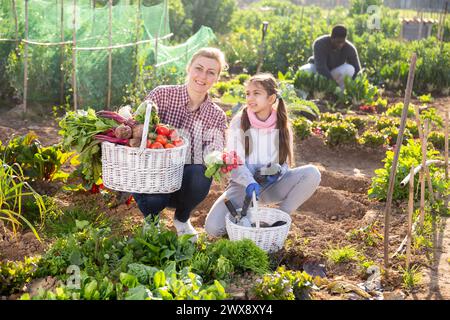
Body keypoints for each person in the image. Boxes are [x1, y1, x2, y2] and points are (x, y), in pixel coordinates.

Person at [204, 73, 321, 237]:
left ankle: (279, 220)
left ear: (271, 98)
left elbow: (285, 162)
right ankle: (241, 227)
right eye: (248, 93)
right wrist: (250, 182)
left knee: (312, 173)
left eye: (256, 93)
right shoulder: (240, 121)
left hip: (271, 185)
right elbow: (235, 162)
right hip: (243, 187)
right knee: (213, 228)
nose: (250, 98)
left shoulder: (282, 123)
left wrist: (278, 171)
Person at [132, 47, 228, 241]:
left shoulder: (217, 115)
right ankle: (151, 220)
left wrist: (217, 158)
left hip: (184, 184)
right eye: (198, 68)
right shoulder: (162, 95)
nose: (203, 76)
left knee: (201, 172)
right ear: (189, 68)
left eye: (211, 72)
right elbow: (136, 127)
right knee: (155, 182)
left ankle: (182, 220)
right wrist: (140, 131)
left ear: (217, 78)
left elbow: (214, 152)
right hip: (152, 179)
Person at [299, 25, 361, 90]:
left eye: (343, 42)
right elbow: (321, 68)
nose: (340, 45)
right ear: (331, 38)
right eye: (338, 42)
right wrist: (333, 85)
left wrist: (356, 87)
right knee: (303, 71)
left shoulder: (349, 48)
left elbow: (358, 70)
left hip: (334, 72)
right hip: (317, 70)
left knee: (350, 69)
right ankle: (311, 91)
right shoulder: (320, 43)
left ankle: (340, 92)